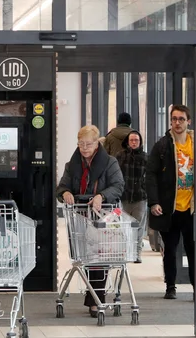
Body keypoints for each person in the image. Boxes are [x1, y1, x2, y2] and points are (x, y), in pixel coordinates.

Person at [146, 105, 196, 300]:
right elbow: (150, 175)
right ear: (171, 121)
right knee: (170, 250)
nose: (177, 123)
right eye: (174, 119)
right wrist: (154, 202)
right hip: (170, 208)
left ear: (188, 121)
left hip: (192, 208)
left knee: (194, 250)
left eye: (181, 119)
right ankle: (170, 286)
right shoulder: (162, 146)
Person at [57, 125, 125, 317]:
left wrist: (101, 196)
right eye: (80, 144)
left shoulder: (110, 163)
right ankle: (94, 298)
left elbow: (118, 186)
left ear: (97, 144)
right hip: (79, 217)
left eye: (88, 144)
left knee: (98, 258)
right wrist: (66, 193)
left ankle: (97, 300)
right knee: (86, 258)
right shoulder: (72, 165)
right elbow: (62, 187)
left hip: (102, 216)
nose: (84, 148)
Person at [115, 130, 148, 264]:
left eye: (136, 140)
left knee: (138, 226)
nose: (134, 142)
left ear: (140, 142)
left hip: (140, 196)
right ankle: (125, 251)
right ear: (127, 142)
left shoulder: (146, 157)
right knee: (124, 226)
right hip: (124, 196)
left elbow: (149, 177)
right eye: (132, 140)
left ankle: (136, 252)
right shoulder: (120, 156)